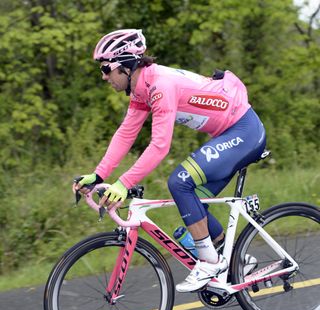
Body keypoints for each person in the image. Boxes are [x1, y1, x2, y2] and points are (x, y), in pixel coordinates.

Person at [74, 28, 266, 293]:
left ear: (127, 66)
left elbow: (160, 146)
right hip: (228, 134)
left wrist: (124, 183)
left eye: (107, 69)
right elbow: (126, 133)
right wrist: (99, 175)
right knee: (193, 200)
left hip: (244, 132)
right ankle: (235, 262)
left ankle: (209, 262)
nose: (104, 76)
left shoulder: (159, 86)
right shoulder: (141, 88)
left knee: (180, 182)